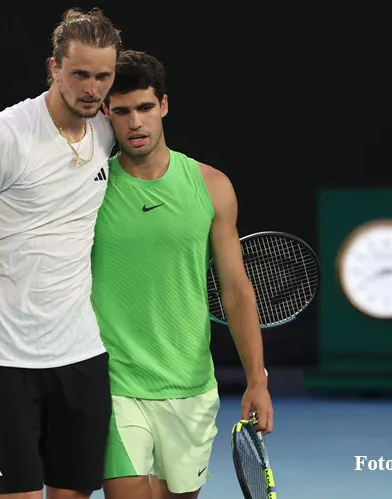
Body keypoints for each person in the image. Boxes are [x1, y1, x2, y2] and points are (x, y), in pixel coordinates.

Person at [0, 8, 122, 499]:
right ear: (54, 67)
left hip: (82, 357)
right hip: (4, 362)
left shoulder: (106, 131)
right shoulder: (4, 136)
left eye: (103, 77)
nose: (92, 89)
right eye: (80, 74)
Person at [90, 50, 274, 499]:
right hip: (114, 383)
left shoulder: (212, 187)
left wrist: (257, 379)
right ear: (106, 113)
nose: (135, 122)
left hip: (190, 386)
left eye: (145, 107)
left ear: (164, 105)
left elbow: (235, 290)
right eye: (122, 111)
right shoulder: (88, 190)